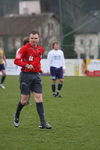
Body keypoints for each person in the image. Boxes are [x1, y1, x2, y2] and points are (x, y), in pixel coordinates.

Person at [13, 31, 52, 129]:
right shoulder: (24, 49)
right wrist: (26, 65)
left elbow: (37, 60)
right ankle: (16, 115)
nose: (34, 40)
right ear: (29, 39)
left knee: (39, 98)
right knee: (24, 100)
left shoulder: (41, 49)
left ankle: (43, 122)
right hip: (25, 76)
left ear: (39, 39)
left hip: (36, 75)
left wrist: (35, 66)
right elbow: (16, 60)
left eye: (36, 38)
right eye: (32, 38)